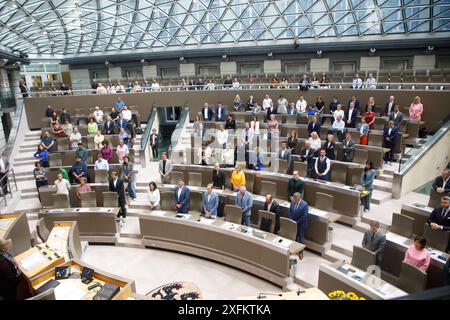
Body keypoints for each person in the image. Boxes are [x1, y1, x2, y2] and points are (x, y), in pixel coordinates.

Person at [288, 192, 308, 259]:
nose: (294, 200)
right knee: (294, 236)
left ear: (299, 198)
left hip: (301, 224)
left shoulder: (305, 205)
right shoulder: (293, 201)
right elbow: (290, 211)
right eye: (293, 199)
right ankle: (293, 249)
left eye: (295, 199)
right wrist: (291, 220)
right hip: (293, 222)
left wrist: (297, 222)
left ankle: (301, 251)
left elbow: (304, 216)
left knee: (301, 238)